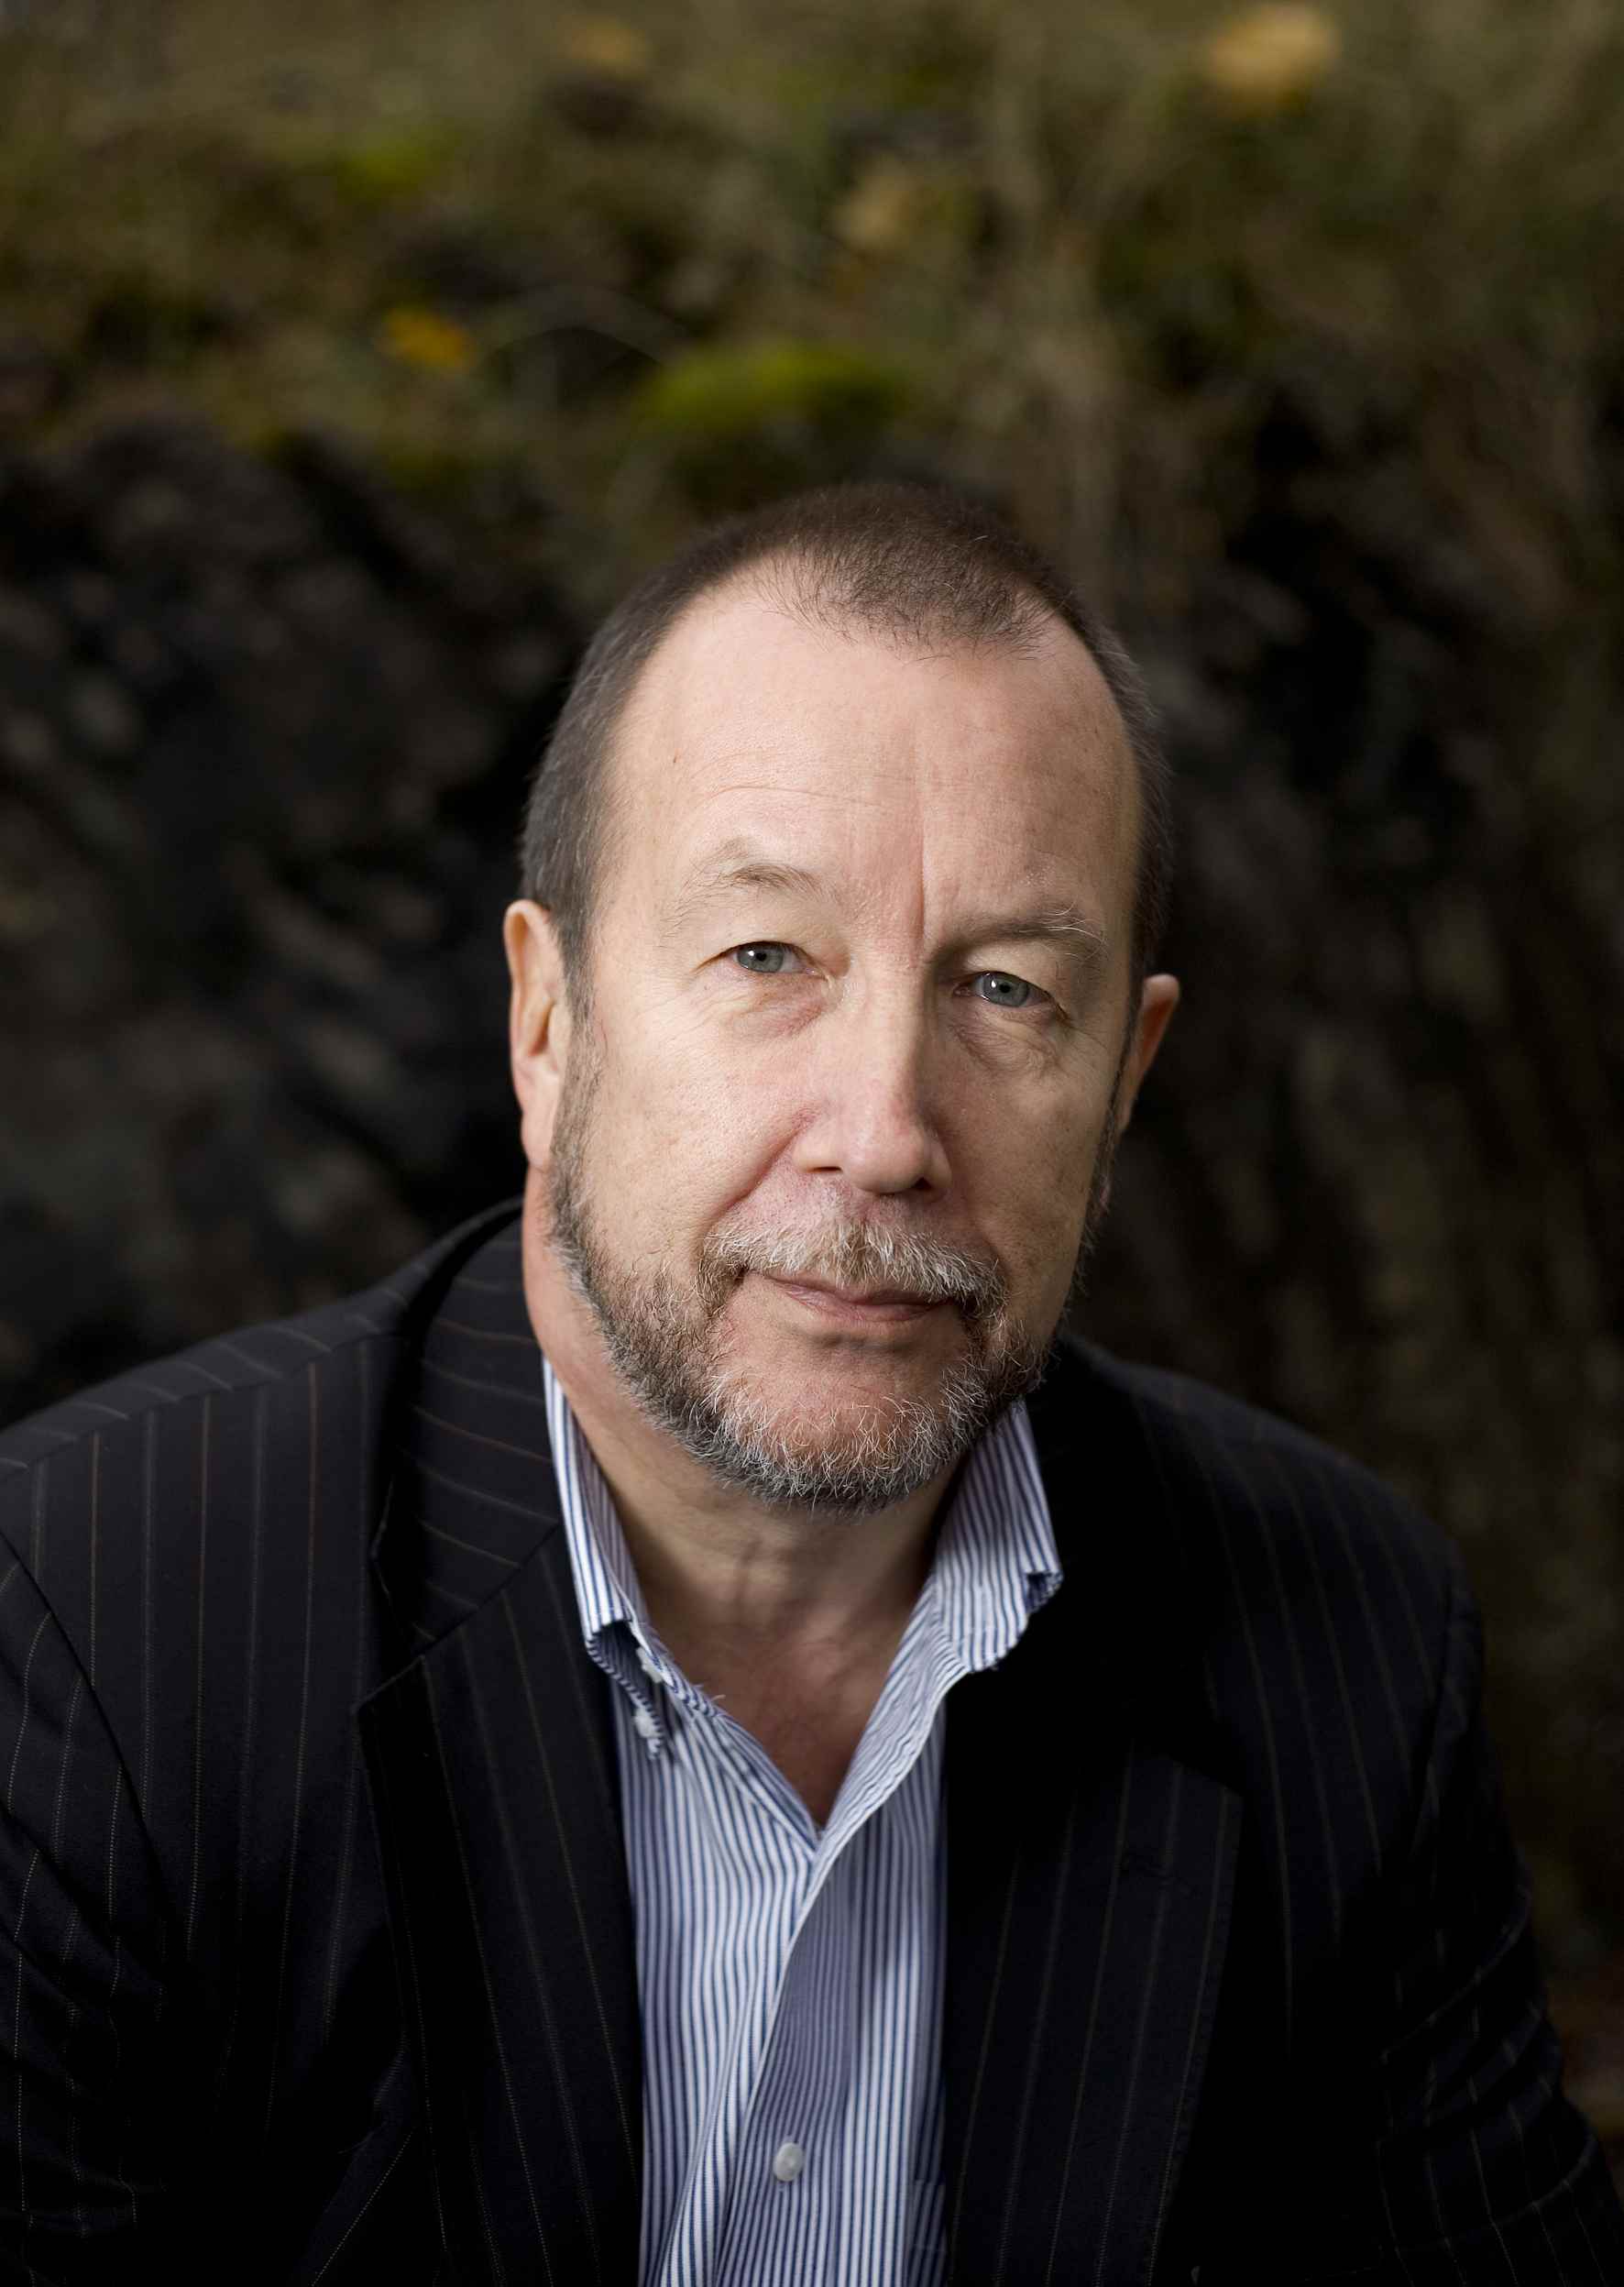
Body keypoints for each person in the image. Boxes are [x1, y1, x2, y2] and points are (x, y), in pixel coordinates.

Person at [0, 483, 1617, 2287]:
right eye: (768, 958)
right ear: (547, 1024)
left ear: (1125, 1079)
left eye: (1007, 991)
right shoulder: (94, 1630)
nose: (884, 1134)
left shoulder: (1347, 1648)